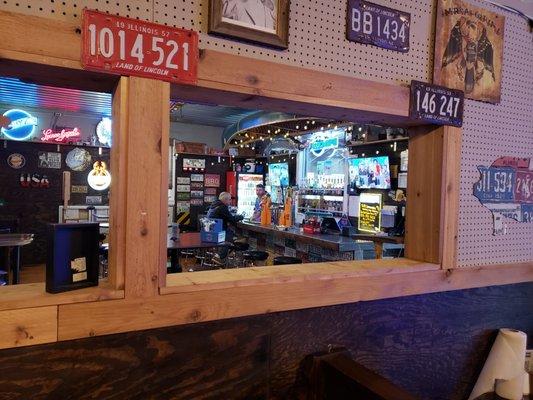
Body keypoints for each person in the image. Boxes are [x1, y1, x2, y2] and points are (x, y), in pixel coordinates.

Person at [207, 192, 244, 260]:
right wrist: (241, 217)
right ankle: (220, 257)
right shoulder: (222, 207)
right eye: (230, 199)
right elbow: (232, 219)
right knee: (230, 235)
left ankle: (222, 255)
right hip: (218, 232)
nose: (230, 201)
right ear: (225, 200)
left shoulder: (214, 205)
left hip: (210, 231)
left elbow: (227, 217)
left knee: (230, 233)